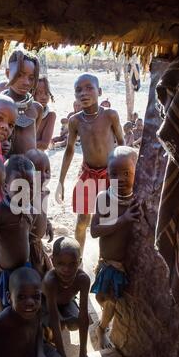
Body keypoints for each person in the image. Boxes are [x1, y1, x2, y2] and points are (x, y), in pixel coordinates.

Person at [55, 73, 125, 255]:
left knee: (109, 218)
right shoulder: (75, 121)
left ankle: (105, 258)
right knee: (82, 221)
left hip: (110, 174)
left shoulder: (110, 115)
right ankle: (77, 261)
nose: (83, 93)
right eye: (78, 90)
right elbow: (69, 149)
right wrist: (60, 181)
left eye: (89, 88)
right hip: (88, 174)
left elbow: (122, 143)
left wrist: (127, 172)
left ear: (99, 91)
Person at [90, 146, 141, 349]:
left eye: (126, 173)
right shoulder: (105, 198)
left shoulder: (138, 199)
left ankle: (104, 327)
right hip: (110, 263)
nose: (119, 179)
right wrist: (122, 220)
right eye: (113, 174)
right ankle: (101, 328)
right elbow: (94, 231)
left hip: (128, 264)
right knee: (106, 300)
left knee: (114, 301)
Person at [0, 267, 63, 357]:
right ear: (9, 297)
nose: (30, 302)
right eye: (21, 297)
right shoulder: (3, 321)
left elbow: (38, 331)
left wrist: (40, 353)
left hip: (32, 352)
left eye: (36, 296)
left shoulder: (36, 312)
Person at [0, 155, 35, 314]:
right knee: (3, 312)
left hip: (23, 271)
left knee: (23, 310)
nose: (26, 192)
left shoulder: (30, 207)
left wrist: (46, 224)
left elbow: (34, 228)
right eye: (19, 187)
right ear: (5, 186)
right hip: (0, 272)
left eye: (31, 186)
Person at [42, 237, 92, 357]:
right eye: (61, 264)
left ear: (80, 262)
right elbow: (54, 318)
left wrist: (83, 354)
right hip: (48, 305)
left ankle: (63, 326)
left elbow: (84, 316)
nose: (66, 270)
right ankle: (49, 345)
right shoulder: (49, 282)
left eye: (72, 264)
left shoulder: (83, 279)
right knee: (52, 328)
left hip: (67, 303)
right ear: (52, 261)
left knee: (75, 323)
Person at [3, 51, 43, 154]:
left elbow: (33, 143)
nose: (26, 82)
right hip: (4, 168)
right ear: (8, 73)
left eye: (31, 78)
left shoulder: (37, 108)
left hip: (30, 168)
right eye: (20, 75)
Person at [25, 149, 53, 278]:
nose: (43, 176)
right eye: (37, 172)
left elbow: (42, 212)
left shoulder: (43, 192)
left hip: (38, 244)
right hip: (28, 248)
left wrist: (47, 223)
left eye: (47, 171)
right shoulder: (26, 196)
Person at [34, 77, 56, 151]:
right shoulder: (25, 113)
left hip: (37, 156)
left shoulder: (50, 115)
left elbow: (44, 145)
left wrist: (23, 143)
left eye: (46, 93)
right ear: (32, 94)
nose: (43, 97)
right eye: (39, 93)